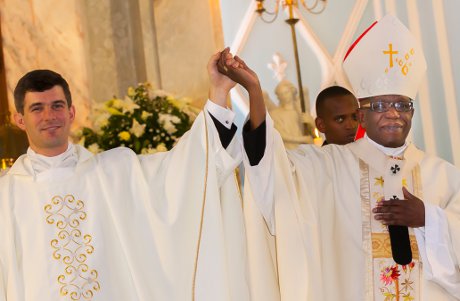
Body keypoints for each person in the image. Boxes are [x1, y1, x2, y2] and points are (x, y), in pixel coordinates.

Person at [220, 14, 460, 300]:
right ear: (362, 115)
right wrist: (255, 92)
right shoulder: (329, 166)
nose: (393, 113)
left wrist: (428, 218)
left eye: (402, 104)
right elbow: (274, 172)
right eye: (381, 105)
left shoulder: (443, 176)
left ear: (412, 112)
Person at [0, 50, 251, 301]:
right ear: (19, 120)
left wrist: (218, 92)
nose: (49, 116)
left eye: (57, 106)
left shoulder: (115, 172)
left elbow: (186, 170)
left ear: (71, 113)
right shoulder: (6, 194)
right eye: (37, 108)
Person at [267, 80, 314, 149]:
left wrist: (312, 123)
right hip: (289, 151)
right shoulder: (274, 114)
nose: (284, 96)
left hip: (306, 150)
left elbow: (314, 133)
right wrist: (302, 139)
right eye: (281, 94)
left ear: (292, 91)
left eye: (286, 92)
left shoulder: (300, 111)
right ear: (278, 97)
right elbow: (280, 134)